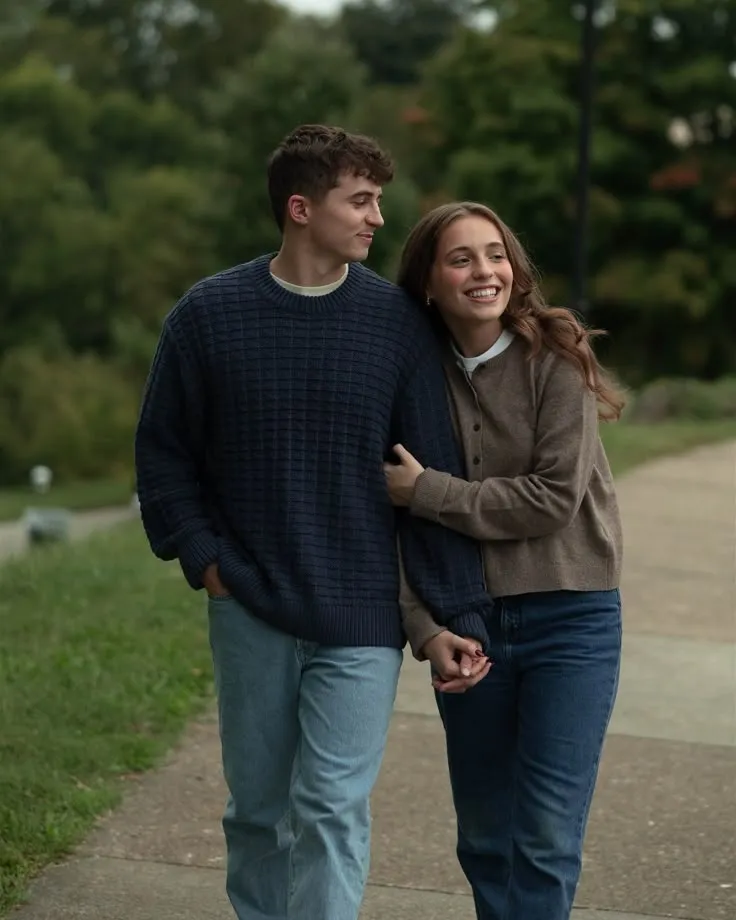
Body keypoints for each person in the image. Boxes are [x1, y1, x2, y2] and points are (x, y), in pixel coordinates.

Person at [134, 128, 493, 920]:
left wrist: (451, 616)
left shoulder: (396, 323)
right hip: (248, 605)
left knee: (331, 808)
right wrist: (207, 562)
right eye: (359, 201)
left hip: (360, 613)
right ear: (301, 209)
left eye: (377, 201)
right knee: (259, 812)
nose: (377, 218)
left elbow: (427, 472)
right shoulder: (208, 315)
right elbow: (162, 458)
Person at [384, 201, 625, 920]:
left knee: (546, 837)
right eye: (461, 258)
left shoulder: (558, 358)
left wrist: (428, 489)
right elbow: (388, 525)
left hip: (570, 618)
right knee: (486, 837)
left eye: (496, 254)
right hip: (470, 622)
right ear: (428, 282)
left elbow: (551, 499)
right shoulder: (409, 378)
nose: (485, 271)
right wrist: (426, 628)